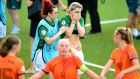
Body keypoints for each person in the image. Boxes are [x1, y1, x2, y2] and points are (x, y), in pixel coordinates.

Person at [29, 39, 99, 79]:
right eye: (62, 46)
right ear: (57, 48)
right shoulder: (52, 62)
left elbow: (86, 71)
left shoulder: (75, 60)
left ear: (69, 48)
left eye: (66, 46)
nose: (64, 48)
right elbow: (40, 74)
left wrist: (98, 78)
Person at [31, 1, 65, 72]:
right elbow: (48, 41)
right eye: (55, 13)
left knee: (55, 72)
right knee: (39, 75)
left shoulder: (56, 21)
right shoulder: (42, 25)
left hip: (52, 52)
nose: (57, 15)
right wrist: (60, 32)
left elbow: (65, 32)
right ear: (49, 14)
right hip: (41, 54)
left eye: (57, 12)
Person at [60, 2, 85, 75]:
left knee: (78, 74)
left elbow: (82, 34)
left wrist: (77, 21)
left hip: (78, 50)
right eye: (77, 12)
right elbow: (68, 33)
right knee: (67, 74)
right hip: (68, 51)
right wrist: (73, 21)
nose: (79, 14)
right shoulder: (65, 19)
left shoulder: (81, 20)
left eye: (80, 12)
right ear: (71, 11)